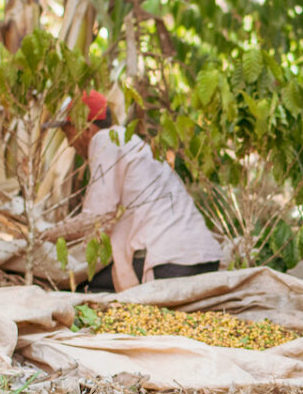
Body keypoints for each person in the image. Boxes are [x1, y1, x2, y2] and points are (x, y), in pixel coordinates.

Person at [46, 91, 222, 292]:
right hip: (206, 259)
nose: (69, 143)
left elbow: (95, 218)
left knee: (78, 284)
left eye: (69, 134)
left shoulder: (104, 140)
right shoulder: (133, 143)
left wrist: (48, 235)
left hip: (171, 263)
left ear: (86, 128)